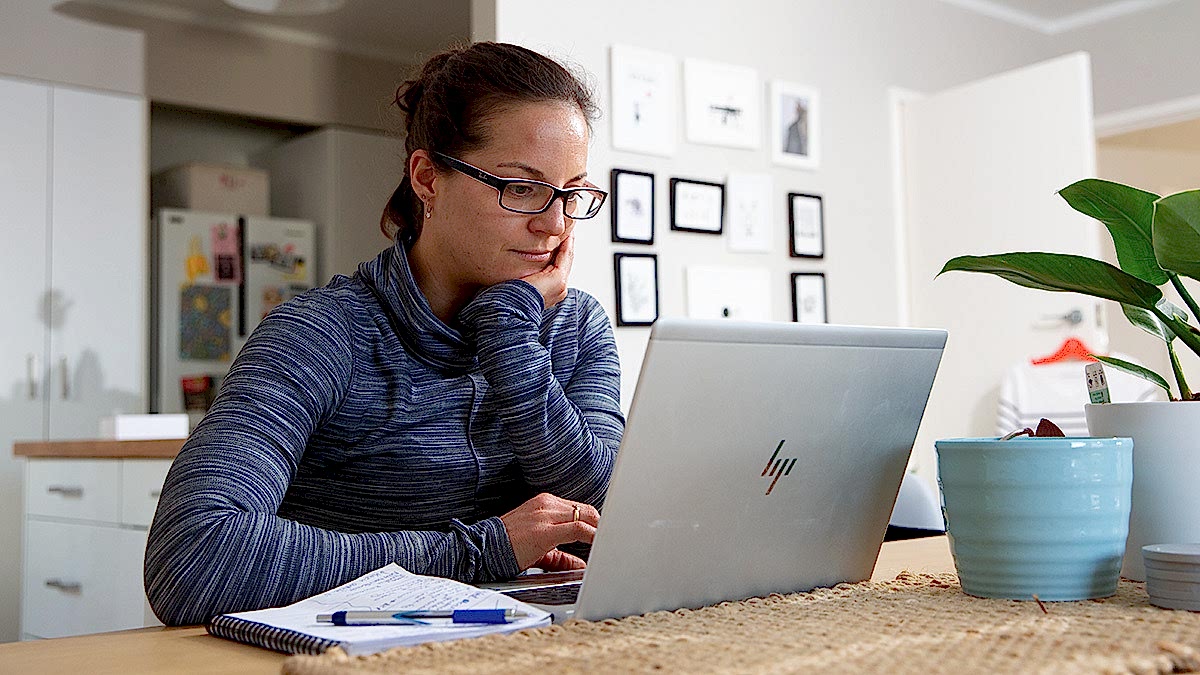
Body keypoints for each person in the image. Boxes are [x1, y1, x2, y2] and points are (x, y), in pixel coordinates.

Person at [144, 42, 624, 627]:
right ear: (427, 179)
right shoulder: (322, 333)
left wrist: (509, 331)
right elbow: (192, 559)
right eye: (520, 187)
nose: (553, 224)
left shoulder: (578, 327)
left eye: (571, 193)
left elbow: (604, 509)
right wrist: (480, 550)